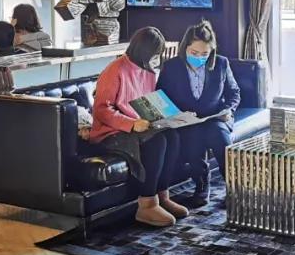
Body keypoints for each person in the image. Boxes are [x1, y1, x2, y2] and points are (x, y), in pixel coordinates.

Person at [89, 27, 187, 228]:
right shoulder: (114, 70)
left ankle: (162, 196)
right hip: (111, 132)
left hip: (142, 127)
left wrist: (168, 117)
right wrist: (131, 124)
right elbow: (101, 110)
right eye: (155, 54)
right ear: (144, 51)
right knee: (157, 142)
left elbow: (147, 103)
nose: (156, 59)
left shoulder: (148, 71)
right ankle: (147, 204)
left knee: (173, 136)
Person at [156, 19, 240, 208]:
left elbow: (234, 93)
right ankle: (202, 186)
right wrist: (174, 116)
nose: (199, 57)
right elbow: (161, 96)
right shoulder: (171, 67)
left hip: (215, 117)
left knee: (220, 137)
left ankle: (235, 189)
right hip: (186, 120)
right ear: (185, 47)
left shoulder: (221, 64)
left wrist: (229, 110)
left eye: (204, 54)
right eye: (194, 53)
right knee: (193, 139)